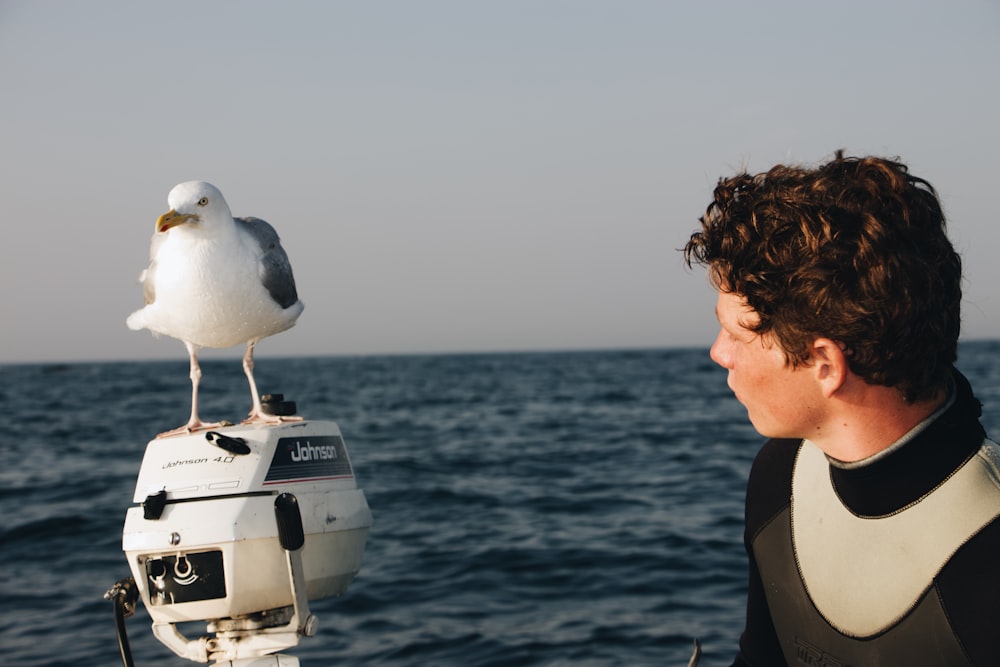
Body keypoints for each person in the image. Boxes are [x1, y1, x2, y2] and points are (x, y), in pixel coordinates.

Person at [683, 151, 999, 666]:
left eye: (736, 332)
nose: (718, 353)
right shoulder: (778, 477)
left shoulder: (989, 556)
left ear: (825, 363)